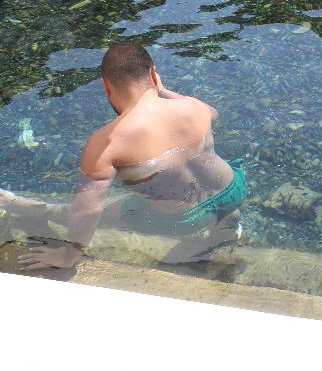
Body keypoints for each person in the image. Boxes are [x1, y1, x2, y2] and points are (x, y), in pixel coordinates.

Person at [7, 42, 246, 270]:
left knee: (88, 208)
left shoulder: (107, 143)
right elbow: (214, 113)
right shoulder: (193, 106)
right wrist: (162, 91)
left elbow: (88, 210)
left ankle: (19, 204)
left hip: (182, 220)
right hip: (233, 191)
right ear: (153, 74)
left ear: (106, 86)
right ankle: (227, 230)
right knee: (209, 186)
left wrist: (69, 255)